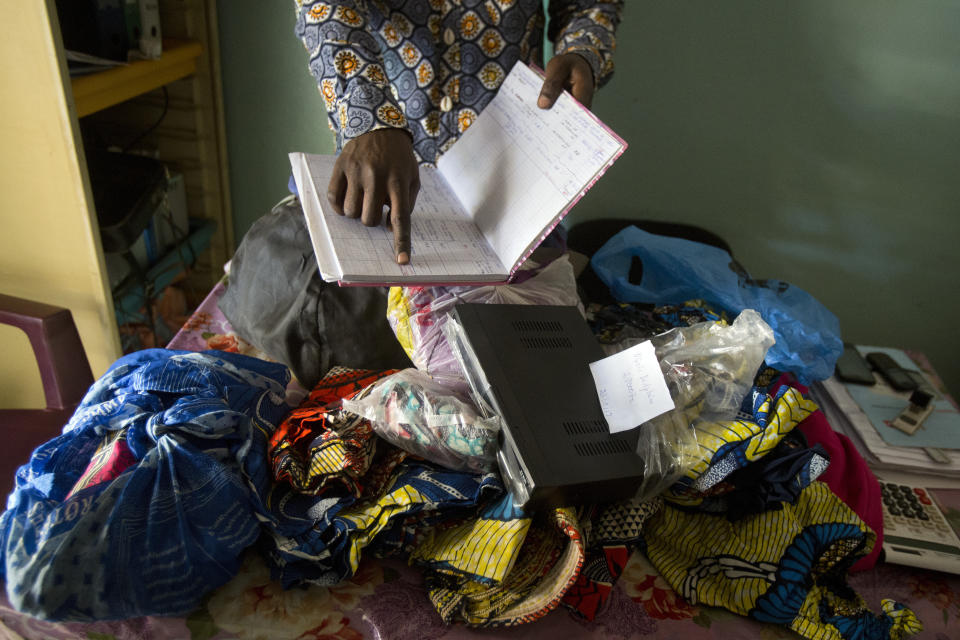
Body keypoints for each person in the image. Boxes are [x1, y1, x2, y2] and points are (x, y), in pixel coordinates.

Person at [294, 0, 624, 265]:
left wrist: (583, 51)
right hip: (379, 174)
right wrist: (371, 116)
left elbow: (587, 6)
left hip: (515, 191)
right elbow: (326, 8)